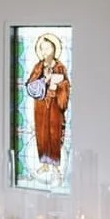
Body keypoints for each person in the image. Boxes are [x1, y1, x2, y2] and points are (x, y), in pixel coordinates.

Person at [25, 33, 70, 179]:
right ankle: (44, 164)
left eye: (48, 48)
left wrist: (58, 85)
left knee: (54, 134)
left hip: (55, 107)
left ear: (54, 49)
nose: (45, 52)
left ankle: (56, 166)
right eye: (42, 49)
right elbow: (30, 83)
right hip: (41, 107)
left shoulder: (60, 66)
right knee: (42, 134)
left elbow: (66, 85)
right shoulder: (38, 66)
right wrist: (45, 81)